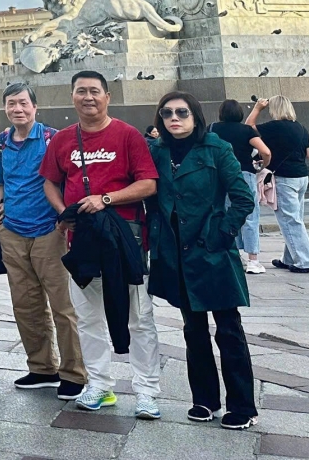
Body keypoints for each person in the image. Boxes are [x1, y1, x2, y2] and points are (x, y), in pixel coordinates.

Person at [41, 70, 161, 418]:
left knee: (139, 317)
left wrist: (106, 199)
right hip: (83, 241)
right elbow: (49, 181)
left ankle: (146, 391)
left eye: (95, 91)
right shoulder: (63, 139)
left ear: (107, 97)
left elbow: (148, 184)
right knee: (87, 317)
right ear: (73, 97)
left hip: (125, 240)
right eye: (81, 91)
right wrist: (63, 212)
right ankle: (99, 384)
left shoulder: (127, 135)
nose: (88, 97)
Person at [147, 92, 258, 430]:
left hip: (212, 251)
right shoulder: (156, 152)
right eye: (167, 113)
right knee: (193, 330)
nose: (174, 118)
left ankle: (242, 406)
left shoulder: (216, 148)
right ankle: (205, 399)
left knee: (228, 329)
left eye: (182, 112)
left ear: (195, 116)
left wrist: (222, 234)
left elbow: (243, 198)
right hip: (176, 253)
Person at [0, 83, 84, 398]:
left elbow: (67, 179)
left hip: (49, 231)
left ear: (35, 107)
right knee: (26, 305)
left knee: (62, 306)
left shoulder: (53, 138)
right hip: (12, 232)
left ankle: (73, 373)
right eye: (11, 103)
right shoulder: (1, 142)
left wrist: (64, 218)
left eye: (23, 103)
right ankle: (42, 368)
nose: (17, 109)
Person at [247, 96, 309, 274]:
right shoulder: (301, 128)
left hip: (285, 178)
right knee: (295, 219)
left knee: (290, 220)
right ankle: (289, 259)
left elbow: (248, 129)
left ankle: (307, 261)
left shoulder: (274, 127)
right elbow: (308, 154)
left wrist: (257, 109)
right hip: (302, 177)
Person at [208, 99, 271, 275]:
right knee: (250, 215)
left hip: (218, 175)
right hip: (244, 174)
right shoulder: (246, 130)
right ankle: (253, 260)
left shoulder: (212, 128)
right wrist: (262, 165)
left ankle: (233, 255)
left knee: (226, 214)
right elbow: (266, 151)